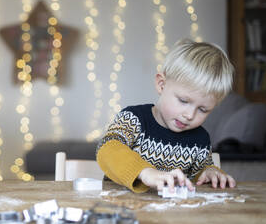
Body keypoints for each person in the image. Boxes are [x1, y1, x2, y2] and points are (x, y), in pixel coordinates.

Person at [96, 39, 236, 193]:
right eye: (183, 101)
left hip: (171, 214)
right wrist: (146, 173)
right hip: (120, 208)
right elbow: (107, 149)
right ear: (161, 85)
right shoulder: (133, 119)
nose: (189, 115)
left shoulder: (200, 139)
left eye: (203, 109)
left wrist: (209, 173)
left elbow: (200, 172)